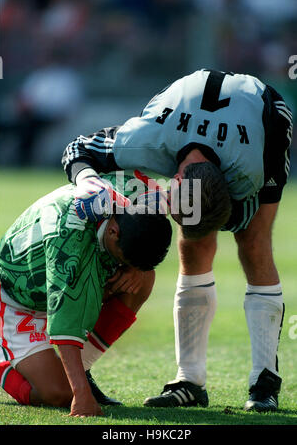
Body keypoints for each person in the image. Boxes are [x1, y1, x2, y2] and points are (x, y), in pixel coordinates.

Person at [61, 69, 293, 412]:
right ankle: (190, 380)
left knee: (254, 241)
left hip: (263, 110)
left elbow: (238, 218)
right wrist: (87, 182)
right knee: (193, 240)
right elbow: (77, 149)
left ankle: (265, 381)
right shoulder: (148, 138)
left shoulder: (251, 169)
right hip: (185, 108)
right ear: (176, 175)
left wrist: (172, 201)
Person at [0, 172, 172, 417]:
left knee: (142, 279)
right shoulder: (70, 244)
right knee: (60, 394)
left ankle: (82, 369)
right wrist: (81, 394)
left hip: (64, 280)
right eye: (124, 258)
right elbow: (66, 320)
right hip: (16, 299)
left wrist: (136, 267)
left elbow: (156, 194)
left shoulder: (137, 200)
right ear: (113, 230)